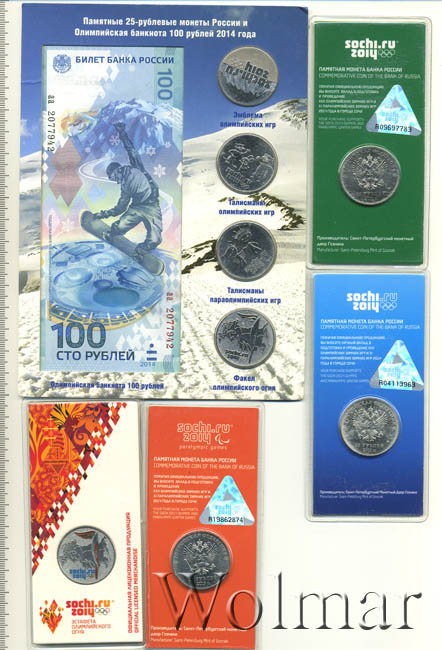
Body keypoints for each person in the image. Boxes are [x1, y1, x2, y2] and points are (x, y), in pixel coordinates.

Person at [94, 122, 162, 262]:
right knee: (120, 226)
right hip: (136, 208)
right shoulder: (125, 188)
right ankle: (112, 233)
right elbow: (120, 208)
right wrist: (104, 214)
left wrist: (122, 133)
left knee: (155, 239)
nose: (116, 181)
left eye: (114, 177)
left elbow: (130, 149)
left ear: (118, 170)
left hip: (152, 207)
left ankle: (140, 251)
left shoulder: (136, 167)